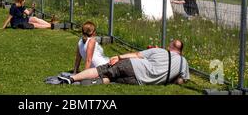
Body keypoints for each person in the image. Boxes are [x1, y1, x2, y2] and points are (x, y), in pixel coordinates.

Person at [58, 40, 189, 86]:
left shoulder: (159, 50)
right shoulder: (184, 62)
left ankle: (71, 78)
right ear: (180, 51)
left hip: (133, 66)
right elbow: (182, 81)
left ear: (170, 46)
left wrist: (119, 57)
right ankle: (95, 82)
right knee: (113, 79)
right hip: (139, 82)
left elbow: (137, 55)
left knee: (102, 69)